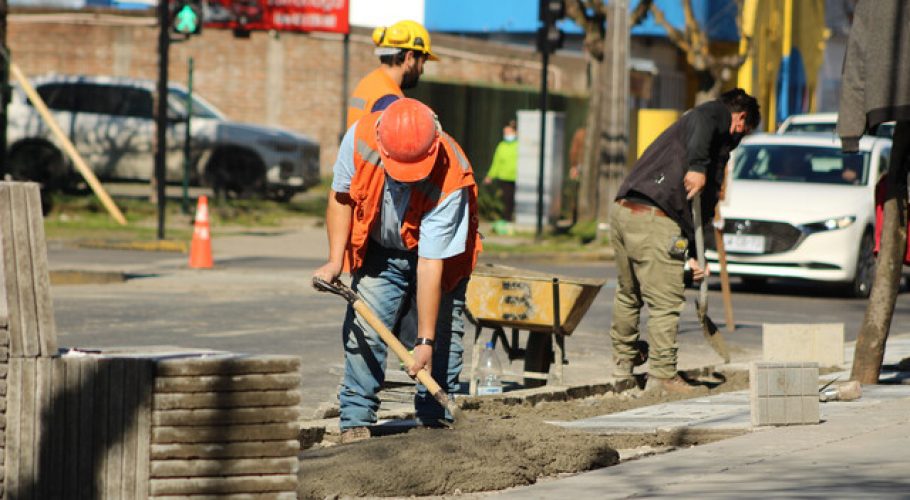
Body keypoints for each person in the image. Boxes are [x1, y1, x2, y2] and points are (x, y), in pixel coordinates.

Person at [313, 98, 482, 443]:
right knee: (365, 331)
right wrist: (334, 260)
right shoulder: (360, 138)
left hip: (439, 258)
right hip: (381, 251)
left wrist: (424, 341)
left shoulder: (452, 174)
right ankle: (355, 422)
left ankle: (437, 424)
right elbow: (340, 197)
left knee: (442, 343)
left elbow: (431, 263)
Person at [609, 88, 760, 394]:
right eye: (744, 130)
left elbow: (697, 210)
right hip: (657, 216)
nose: (739, 137)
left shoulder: (686, 134)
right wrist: (698, 167)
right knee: (665, 302)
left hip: (623, 210)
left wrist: (690, 253)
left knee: (629, 293)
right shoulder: (713, 116)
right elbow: (707, 117)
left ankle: (623, 366)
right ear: (740, 117)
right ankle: (662, 376)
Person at [346, 20, 437, 128]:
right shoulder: (389, 101)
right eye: (422, 62)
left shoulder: (368, 82)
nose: (421, 70)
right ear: (409, 58)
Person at [483, 120, 518, 231]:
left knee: (513, 199)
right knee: (507, 199)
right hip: (504, 177)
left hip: (517, 177)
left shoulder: (519, 145)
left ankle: (510, 218)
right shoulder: (501, 146)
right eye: (505, 133)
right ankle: (507, 220)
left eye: (509, 132)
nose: (507, 135)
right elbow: (496, 163)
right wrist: (490, 176)